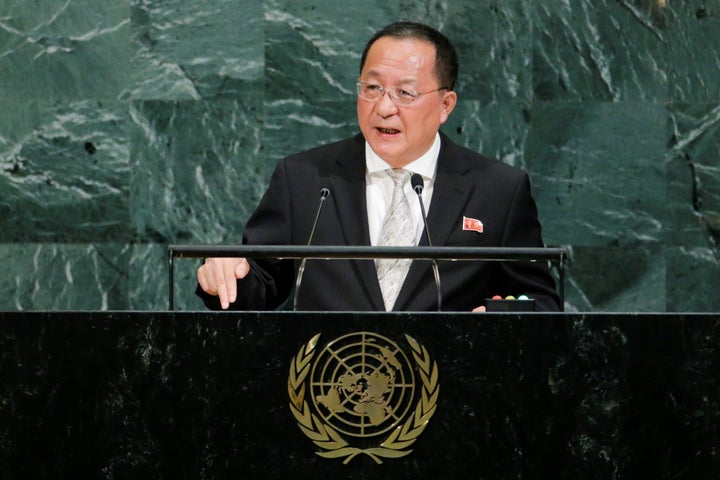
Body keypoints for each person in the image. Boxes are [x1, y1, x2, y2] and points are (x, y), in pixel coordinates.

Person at [196, 21, 560, 312]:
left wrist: (498, 319)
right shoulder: (305, 179)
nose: (384, 107)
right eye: (371, 88)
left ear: (446, 105)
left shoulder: (498, 189)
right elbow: (260, 284)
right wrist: (227, 277)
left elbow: (540, 302)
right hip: (327, 390)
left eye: (406, 93)